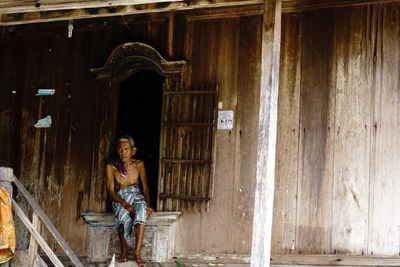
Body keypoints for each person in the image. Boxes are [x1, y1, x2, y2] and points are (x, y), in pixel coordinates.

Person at [106, 135, 154, 265]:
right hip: (120, 198)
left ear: (133, 151)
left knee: (142, 211)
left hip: (136, 195)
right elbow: (111, 191)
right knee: (121, 214)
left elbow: (145, 187)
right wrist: (124, 203)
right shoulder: (112, 167)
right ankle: (124, 250)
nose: (123, 152)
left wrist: (148, 206)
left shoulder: (139, 165)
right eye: (120, 149)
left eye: (126, 149)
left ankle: (137, 253)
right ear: (117, 150)